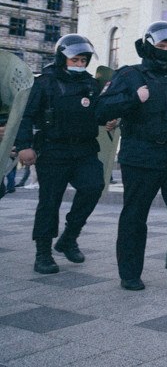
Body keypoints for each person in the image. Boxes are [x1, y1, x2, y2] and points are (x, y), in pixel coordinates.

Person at [95, 21, 167, 290]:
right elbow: (101, 111)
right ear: (149, 47)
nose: (166, 51)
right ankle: (130, 272)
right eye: (161, 46)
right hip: (141, 154)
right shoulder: (128, 75)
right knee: (135, 215)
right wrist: (133, 99)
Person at [13, 35, 115, 274]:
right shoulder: (44, 83)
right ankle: (43, 253)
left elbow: (98, 111)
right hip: (53, 150)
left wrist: (108, 120)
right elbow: (25, 115)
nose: (79, 64)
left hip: (86, 149)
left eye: (83, 60)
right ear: (62, 58)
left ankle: (69, 237)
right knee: (49, 202)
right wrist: (24, 146)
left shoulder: (91, 84)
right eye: (74, 59)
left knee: (93, 187)